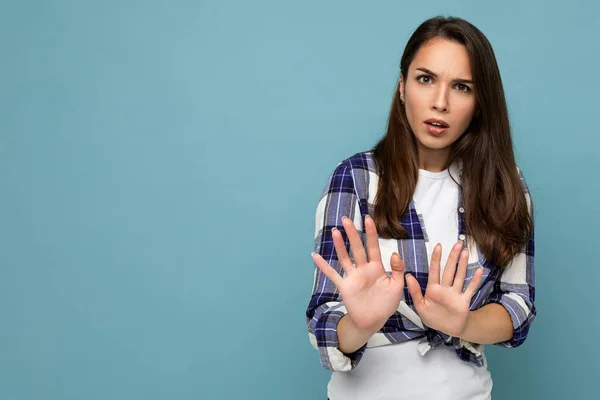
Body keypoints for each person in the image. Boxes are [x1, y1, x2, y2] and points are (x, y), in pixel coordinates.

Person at [305, 15, 536, 400]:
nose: (440, 102)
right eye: (425, 79)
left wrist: (463, 322)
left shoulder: (504, 185)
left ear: (480, 103)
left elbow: (518, 304)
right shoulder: (356, 178)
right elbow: (325, 319)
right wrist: (361, 323)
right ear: (401, 86)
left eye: (461, 87)